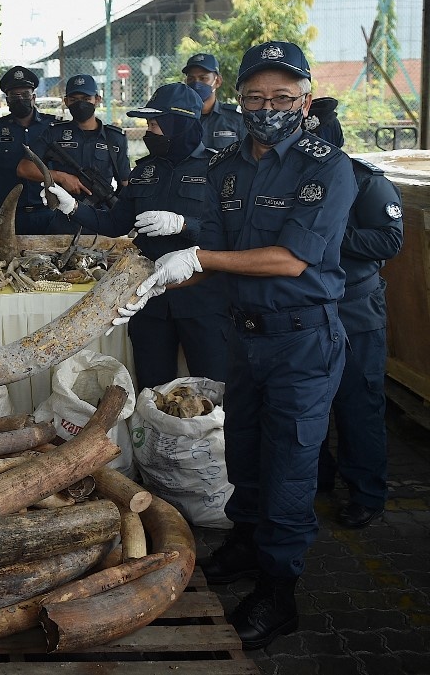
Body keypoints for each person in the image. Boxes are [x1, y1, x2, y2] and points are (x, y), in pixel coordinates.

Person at [120, 41, 358, 650]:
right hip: (244, 337)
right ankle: (248, 547)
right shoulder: (228, 167)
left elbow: (289, 258)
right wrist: (155, 282)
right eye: (255, 96)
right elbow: (221, 260)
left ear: (305, 100)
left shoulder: (325, 166)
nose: (268, 107)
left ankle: (280, 592)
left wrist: (195, 256)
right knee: (243, 454)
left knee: (288, 469)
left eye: (282, 96)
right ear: (235, 99)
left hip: (302, 342)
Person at [46, 83, 229, 390]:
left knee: (212, 389)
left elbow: (230, 233)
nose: (148, 132)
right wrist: (73, 207)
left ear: (178, 124)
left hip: (203, 301)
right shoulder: (145, 171)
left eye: (154, 125)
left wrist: (186, 225)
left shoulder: (219, 169)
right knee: (152, 386)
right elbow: (116, 222)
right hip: (148, 300)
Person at [304, 99, 404, 528]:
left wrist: (332, 238)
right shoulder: (295, 182)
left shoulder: (365, 182)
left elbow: (389, 240)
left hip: (356, 312)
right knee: (310, 404)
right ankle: (321, 476)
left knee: (357, 405)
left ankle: (367, 493)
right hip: (308, 309)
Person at [16, 74, 130, 234]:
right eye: (74, 99)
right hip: (62, 219)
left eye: (86, 98)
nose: (80, 104)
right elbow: (24, 168)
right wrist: (61, 177)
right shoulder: (55, 133)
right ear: (66, 101)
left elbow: (125, 183)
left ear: (97, 99)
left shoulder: (115, 138)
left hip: (102, 220)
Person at [0, 65, 57, 234]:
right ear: (7, 99)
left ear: (33, 97)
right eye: (14, 95)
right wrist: (2, 191)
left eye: (25, 94)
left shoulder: (53, 127)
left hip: (49, 213)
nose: (20, 99)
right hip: (9, 214)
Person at [181, 53, 244, 152]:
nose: (196, 84)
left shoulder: (236, 118)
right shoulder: (179, 119)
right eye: (191, 79)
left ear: (218, 81)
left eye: (203, 78)